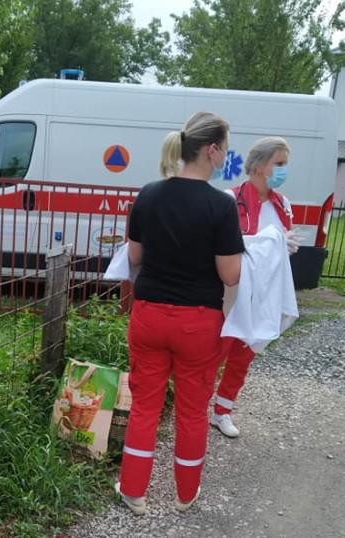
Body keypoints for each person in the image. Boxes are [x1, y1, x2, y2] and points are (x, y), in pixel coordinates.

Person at [115, 112, 245, 515]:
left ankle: (133, 491)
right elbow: (230, 274)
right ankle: (185, 494)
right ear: (210, 150)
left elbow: (134, 256)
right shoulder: (221, 205)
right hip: (198, 323)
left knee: (145, 405)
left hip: (150, 316)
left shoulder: (149, 194)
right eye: (224, 148)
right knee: (191, 410)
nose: (225, 155)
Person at [211, 136, 299, 438]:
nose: (283, 170)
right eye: (280, 163)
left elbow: (280, 242)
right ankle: (195, 409)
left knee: (244, 353)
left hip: (265, 291)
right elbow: (223, 244)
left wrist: (286, 247)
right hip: (232, 290)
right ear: (260, 166)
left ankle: (222, 411)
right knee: (216, 352)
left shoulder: (282, 204)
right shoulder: (229, 198)